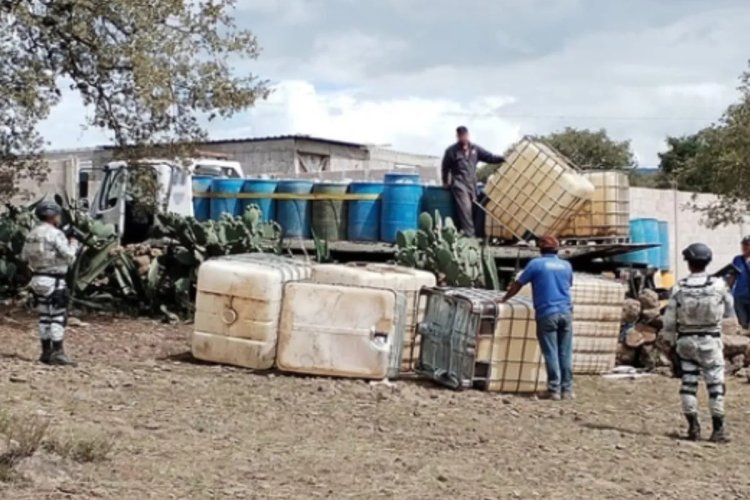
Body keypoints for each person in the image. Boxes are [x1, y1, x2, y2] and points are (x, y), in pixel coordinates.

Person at [661, 243, 733, 443]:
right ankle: (718, 429)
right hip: (711, 340)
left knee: (688, 384)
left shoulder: (679, 287)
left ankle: (693, 427)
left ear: (688, 262)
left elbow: (668, 321)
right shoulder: (718, 285)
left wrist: (669, 342)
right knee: (715, 385)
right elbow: (729, 307)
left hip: (686, 341)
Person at [498, 236, 573, 400]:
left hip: (547, 313)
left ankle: (554, 389)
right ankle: (567, 390)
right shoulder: (566, 266)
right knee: (565, 352)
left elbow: (518, 284)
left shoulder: (536, 265)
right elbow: (568, 284)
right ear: (557, 249)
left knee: (551, 352)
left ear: (540, 249)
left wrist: (504, 299)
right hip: (566, 312)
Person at [21, 200, 79, 365]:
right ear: (53, 216)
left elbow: (24, 257)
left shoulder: (32, 234)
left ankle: (45, 352)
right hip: (54, 280)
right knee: (58, 316)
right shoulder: (56, 234)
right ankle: (58, 352)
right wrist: (73, 243)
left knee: (44, 316)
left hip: (37, 279)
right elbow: (69, 257)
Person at [441, 126, 504, 237]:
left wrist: (503, 159)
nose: (463, 138)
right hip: (459, 184)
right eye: (461, 136)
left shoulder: (475, 149)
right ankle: (470, 237)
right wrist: (445, 182)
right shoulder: (452, 151)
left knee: (475, 209)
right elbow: (445, 168)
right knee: (466, 209)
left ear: (468, 135)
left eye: (465, 135)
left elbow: (489, 157)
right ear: (458, 137)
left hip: (472, 184)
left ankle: (475, 234)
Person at [728, 236, 750, 328]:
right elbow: (732, 276)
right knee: (742, 323)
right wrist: (727, 289)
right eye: (743, 245)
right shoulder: (737, 259)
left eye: (747, 245)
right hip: (740, 296)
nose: (744, 247)